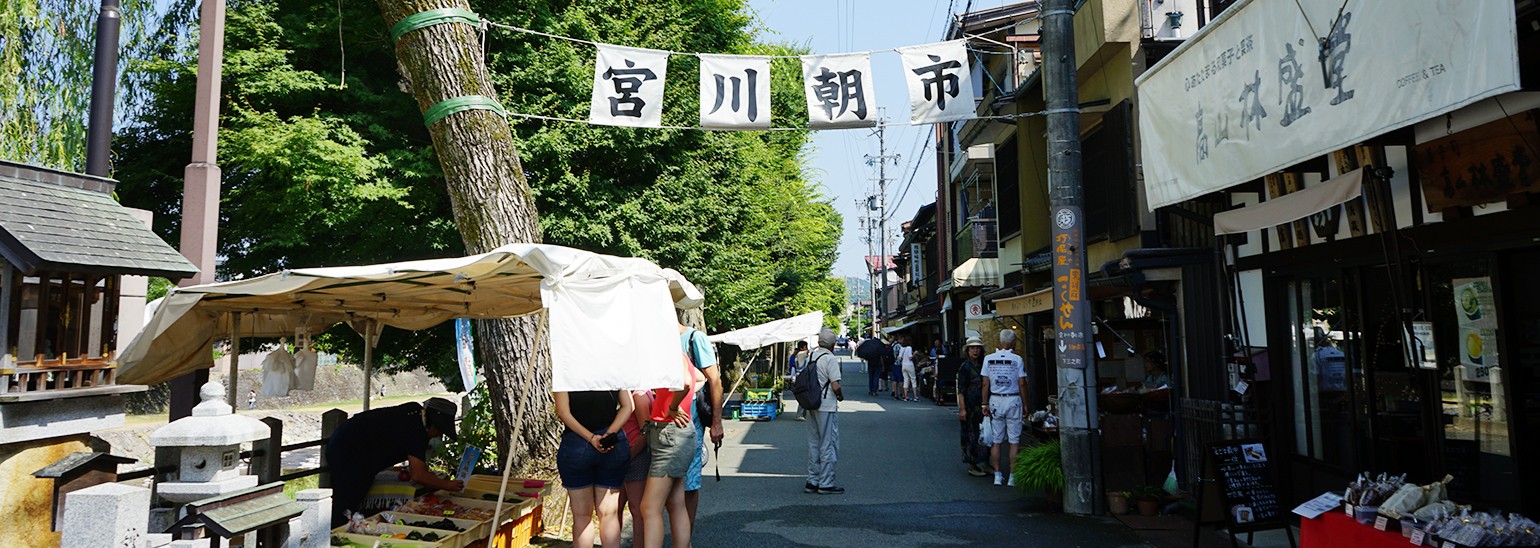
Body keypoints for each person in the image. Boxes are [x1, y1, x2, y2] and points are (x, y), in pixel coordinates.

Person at [324, 397, 464, 526]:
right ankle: (334, 534)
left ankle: (341, 529)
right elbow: (418, 475)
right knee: (348, 498)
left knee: (350, 497)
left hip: (344, 440)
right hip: (348, 449)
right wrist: (446, 484)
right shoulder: (416, 431)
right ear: (434, 424)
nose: (439, 435)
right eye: (441, 431)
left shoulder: (413, 414)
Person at [554, 388, 634, 548]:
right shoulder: (613, 366)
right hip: (612, 443)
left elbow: (563, 411)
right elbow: (629, 406)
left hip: (577, 442)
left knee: (582, 516)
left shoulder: (566, 367)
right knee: (609, 513)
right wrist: (608, 435)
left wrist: (591, 438)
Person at [640, 352, 704, 548]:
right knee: (675, 504)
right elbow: (699, 378)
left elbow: (685, 382)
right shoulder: (680, 354)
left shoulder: (668, 352)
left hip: (669, 434)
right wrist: (676, 402)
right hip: (677, 433)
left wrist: (674, 406)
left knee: (649, 507)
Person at [678, 318, 723, 536]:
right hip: (658, 424)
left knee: (689, 481)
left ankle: (686, 538)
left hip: (691, 421)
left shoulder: (695, 338)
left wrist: (716, 422)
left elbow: (714, 380)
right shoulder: (652, 338)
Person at [981, 329, 1027, 487]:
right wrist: (1026, 404)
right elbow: (1022, 383)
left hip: (995, 400)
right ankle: (1013, 477)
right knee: (1014, 441)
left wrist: (984, 403)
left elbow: (985, 383)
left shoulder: (988, 359)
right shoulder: (1017, 359)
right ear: (1013, 343)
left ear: (1000, 342)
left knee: (996, 440)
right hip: (1013, 399)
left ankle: (998, 475)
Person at [804, 328, 845, 494]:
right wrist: (840, 396)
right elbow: (835, 385)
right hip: (826, 405)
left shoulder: (811, 356)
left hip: (811, 403)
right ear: (833, 344)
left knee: (813, 443)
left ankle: (812, 480)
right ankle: (826, 482)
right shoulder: (830, 359)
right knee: (828, 444)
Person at [618, 389, 653, 544]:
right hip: (622, 456)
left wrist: (630, 455)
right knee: (615, 507)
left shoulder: (638, 395)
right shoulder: (631, 392)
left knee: (636, 509)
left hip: (635, 456)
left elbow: (645, 432)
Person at [956, 337, 989, 477]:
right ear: (967, 350)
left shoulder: (984, 364)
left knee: (986, 434)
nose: (975, 351)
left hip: (984, 405)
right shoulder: (965, 367)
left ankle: (987, 463)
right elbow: (961, 390)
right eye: (972, 348)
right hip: (970, 406)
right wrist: (962, 409)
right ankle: (973, 464)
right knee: (971, 435)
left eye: (978, 348)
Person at [790, 340, 811, 421]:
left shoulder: (798, 355)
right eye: (806, 347)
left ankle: (803, 414)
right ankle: (799, 414)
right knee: (804, 396)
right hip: (801, 377)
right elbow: (809, 352)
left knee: (805, 395)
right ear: (802, 348)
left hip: (801, 377)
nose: (807, 348)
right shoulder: (800, 354)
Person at [898, 335, 917, 402]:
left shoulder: (902, 348)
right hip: (910, 365)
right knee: (913, 380)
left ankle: (905, 397)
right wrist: (914, 354)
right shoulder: (909, 348)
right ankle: (915, 397)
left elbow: (899, 358)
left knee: (906, 380)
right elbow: (910, 358)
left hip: (903, 365)